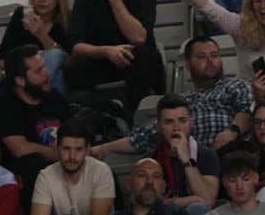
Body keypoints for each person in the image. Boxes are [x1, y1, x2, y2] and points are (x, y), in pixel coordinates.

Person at [96, 35, 256, 164]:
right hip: (191, 166)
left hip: (232, 161)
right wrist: (103, 149)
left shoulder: (236, 86)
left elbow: (249, 110)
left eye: (215, 55)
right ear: (187, 64)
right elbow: (144, 136)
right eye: (202, 57)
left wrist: (232, 131)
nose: (210, 61)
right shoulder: (181, 102)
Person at [63, 0, 165, 111]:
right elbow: (75, 46)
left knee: (141, 54)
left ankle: (136, 119)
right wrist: (106, 51)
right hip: (101, 60)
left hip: (136, 60)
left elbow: (138, 37)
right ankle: (91, 119)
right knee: (72, 65)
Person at [23, 122, 115, 215]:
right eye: (66, 149)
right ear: (57, 148)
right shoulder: (46, 175)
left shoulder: (101, 170)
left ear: (87, 150)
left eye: (78, 149)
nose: (72, 157)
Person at [0, 46, 68, 203]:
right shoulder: (4, 105)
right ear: (20, 80)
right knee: (31, 162)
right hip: (24, 179)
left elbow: (73, 134)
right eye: (39, 71)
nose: (47, 73)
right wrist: (63, 155)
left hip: (63, 166)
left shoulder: (54, 97)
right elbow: (20, 149)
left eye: (44, 66)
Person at [0, 0, 74, 94]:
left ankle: (39, 105)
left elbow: (70, 63)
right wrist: (32, 66)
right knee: (55, 57)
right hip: (22, 82)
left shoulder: (67, 20)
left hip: (48, 86)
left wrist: (42, 35)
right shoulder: (21, 16)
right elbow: (1, 62)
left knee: (57, 58)